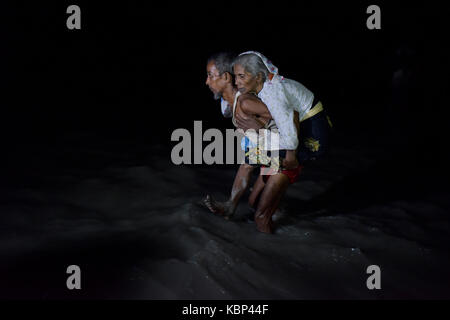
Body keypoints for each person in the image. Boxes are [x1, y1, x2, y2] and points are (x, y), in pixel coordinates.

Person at [204, 52, 301, 233]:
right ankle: (284, 222)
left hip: (287, 154)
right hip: (270, 151)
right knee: (254, 202)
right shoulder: (228, 104)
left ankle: (249, 212)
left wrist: (260, 126)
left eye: (210, 75)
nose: (207, 82)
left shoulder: (247, 101)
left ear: (226, 77)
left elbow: (289, 115)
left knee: (260, 216)